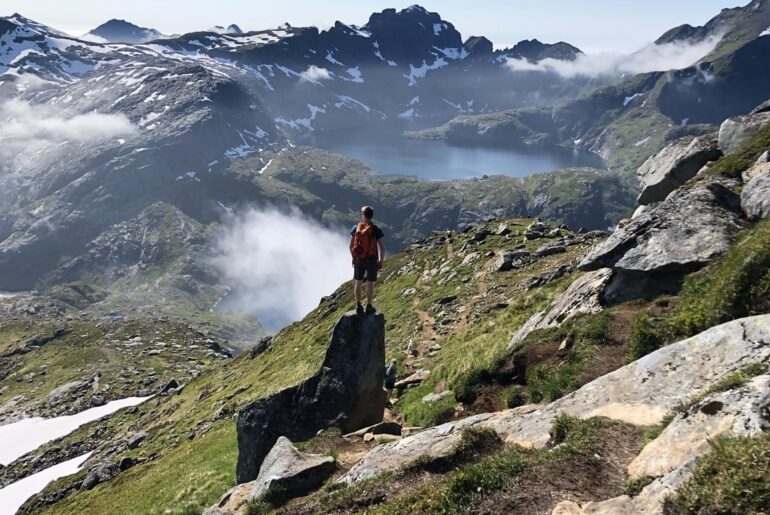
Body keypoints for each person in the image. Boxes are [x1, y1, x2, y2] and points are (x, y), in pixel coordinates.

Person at [349, 205, 385, 315]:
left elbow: (350, 246)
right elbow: (382, 248)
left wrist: (354, 258)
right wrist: (381, 261)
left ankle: (358, 306)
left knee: (358, 283)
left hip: (359, 259)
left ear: (363, 215)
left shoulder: (356, 228)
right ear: (372, 216)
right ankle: (369, 306)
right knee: (370, 284)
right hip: (372, 259)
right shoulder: (376, 229)